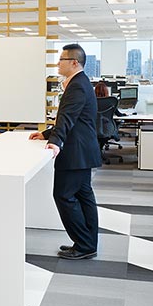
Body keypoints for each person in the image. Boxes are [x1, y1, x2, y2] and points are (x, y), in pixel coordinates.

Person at [30, 44, 102, 260]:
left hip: (75, 152)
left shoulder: (78, 85)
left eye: (61, 59)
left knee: (64, 195)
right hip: (82, 150)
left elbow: (68, 117)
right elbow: (73, 118)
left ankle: (84, 245)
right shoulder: (79, 83)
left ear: (74, 62)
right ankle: (86, 243)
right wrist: (47, 134)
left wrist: (56, 140)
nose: (57, 63)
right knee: (83, 195)